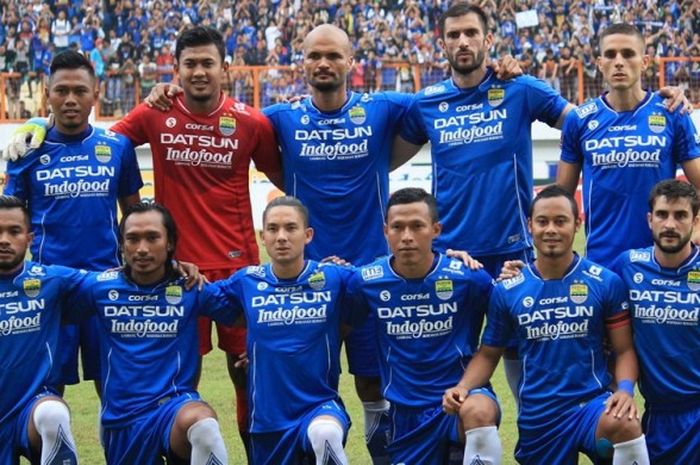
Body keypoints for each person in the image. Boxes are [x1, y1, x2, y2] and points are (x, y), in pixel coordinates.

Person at [3, 27, 283, 458]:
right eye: (190, 63)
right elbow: (17, 215)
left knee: (240, 374)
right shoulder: (46, 148)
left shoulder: (248, 122)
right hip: (64, 290)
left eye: (207, 62)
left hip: (193, 272)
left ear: (226, 68)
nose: (199, 71)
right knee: (56, 390)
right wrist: (39, 124)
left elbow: (133, 209)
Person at [444, 185, 650, 465]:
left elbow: (624, 350)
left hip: (590, 406)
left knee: (623, 422)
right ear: (530, 226)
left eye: (560, 221)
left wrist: (625, 391)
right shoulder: (508, 290)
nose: (551, 229)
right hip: (540, 415)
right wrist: (464, 387)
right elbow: (489, 353)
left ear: (577, 224)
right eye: (542, 221)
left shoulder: (604, 281)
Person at [3, 50, 143, 394]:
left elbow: (135, 217)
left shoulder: (118, 147)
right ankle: (50, 450)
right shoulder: (27, 150)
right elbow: (8, 220)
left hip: (106, 284)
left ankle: (122, 450)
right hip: (48, 289)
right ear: (46, 93)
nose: (70, 99)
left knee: (114, 389)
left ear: (95, 94)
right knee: (45, 390)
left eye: (80, 91)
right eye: (60, 90)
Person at [346, 188, 501, 465]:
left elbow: (510, 309)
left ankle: (458, 449)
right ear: (385, 231)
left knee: (479, 410)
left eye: (417, 226)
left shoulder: (467, 277)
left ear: (435, 229)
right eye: (398, 227)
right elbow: (334, 326)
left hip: (460, 399)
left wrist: (517, 275)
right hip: (406, 414)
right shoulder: (365, 281)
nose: (407, 236)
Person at [67, 202, 230, 465]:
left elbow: (248, 310)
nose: (142, 248)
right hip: (123, 418)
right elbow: (49, 307)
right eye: (132, 239)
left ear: (170, 242)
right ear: (122, 244)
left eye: (152, 237)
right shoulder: (98, 288)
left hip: (174, 406)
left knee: (203, 426)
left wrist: (255, 353)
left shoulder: (190, 287)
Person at [214, 196, 352, 465]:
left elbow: (387, 279)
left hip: (319, 408)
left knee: (325, 434)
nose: (281, 237)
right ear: (262, 236)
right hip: (267, 420)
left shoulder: (334, 277)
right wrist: (174, 269)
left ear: (308, 234)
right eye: (273, 229)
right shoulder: (246, 281)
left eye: (291, 228)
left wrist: (451, 262)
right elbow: (199, 296)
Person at [557, 23, 700, 267]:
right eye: (611, 55)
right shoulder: (579, 119)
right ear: (600, 63)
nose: (619, 61)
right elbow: (561, 201)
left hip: (659, 266)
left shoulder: (672, 112)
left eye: (628, 53)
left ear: (645, 61)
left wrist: (694, 237)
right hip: (602, 265)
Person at [610, 179, 700, 465]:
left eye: (681, 215)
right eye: (662, 215)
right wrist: (530, 272)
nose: (670, 224)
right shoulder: (628, 265)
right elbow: (586, 286)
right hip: (657, 415)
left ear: (695, 221)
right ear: (650, 220)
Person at [0, 195, 84, 465]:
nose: (4, 239)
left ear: (30, 238)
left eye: (14, 231)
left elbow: (114, 282)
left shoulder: (51, 279)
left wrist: (169, 268)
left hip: (30, 409)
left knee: (53, 414)